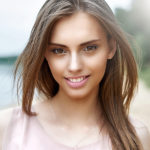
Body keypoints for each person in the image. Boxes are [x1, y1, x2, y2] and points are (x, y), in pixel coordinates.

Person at [0, 0, 150, 149]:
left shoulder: (137, 137)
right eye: (59, 50)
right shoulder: (7, 128)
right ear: (44, 53)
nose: (74, 66)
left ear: (111, 47)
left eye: (89, 48)